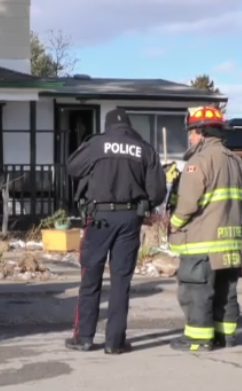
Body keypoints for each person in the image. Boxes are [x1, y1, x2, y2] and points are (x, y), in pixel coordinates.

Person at [65, 107, 167, 354]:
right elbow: (157, 192)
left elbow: (72, 168)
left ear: (107, 125)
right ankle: (114, 342)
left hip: (99, 218)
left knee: (90, 278)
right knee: (121, 281)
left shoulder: (97, 144)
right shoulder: (144, 149)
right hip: (130, 219)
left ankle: (85, 337)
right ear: (129, 126)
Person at [168, 105, 242, 352]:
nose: (190, 137)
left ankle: (198, 339)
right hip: (230, 243)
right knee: (226, 291)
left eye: (191, 131)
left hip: (203, 242)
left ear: (201, 132)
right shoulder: (235, 161)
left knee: (196, 291)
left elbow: (188, 204)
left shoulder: (199, 161)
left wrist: (174, 224)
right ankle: (226, 336)